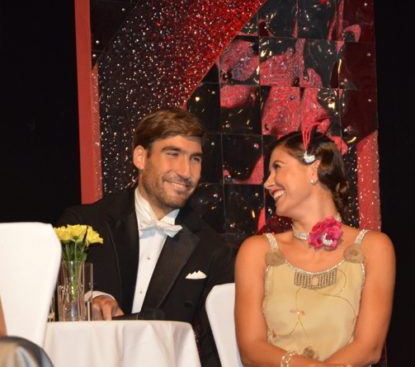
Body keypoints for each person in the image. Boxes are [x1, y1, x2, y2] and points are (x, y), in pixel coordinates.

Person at [57, 109, 234, 367]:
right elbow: (46, 299)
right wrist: (89, 298)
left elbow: (215, 347)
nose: (186, 171)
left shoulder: (211, 248)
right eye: (172, 154)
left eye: (195, 159)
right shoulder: (83, 223)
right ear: (140, 157)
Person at [234, 130, 395, 367]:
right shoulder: (257, 251)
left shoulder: (373, 247)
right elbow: (251, 349)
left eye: (277, 167)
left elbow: (369, 348)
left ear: (313, 169)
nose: (268, 183)